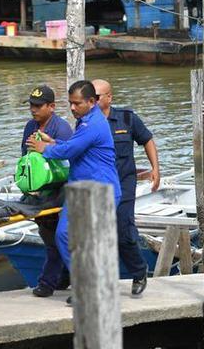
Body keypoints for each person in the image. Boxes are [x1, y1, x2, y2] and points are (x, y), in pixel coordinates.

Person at [26, 80, 122, 303]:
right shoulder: (84, 121)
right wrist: (55, 141)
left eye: (76, 103)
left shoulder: (94, 124)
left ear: (92, 101)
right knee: (64, 235)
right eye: (70, 103)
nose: (72, 108)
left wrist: (46, 147)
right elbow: (77, 145)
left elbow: (70, 150)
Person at [92, 78, 159, 295]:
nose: (91, 101)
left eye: (97, 96)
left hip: (123, 183)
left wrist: (155, 169)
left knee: (123, 229)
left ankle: (139, 271)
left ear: (109, 97)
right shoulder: (86, 122)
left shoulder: (127, 119)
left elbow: (147, 140)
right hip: (98, 187)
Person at [20, 85, 73, 298]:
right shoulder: (29, 126)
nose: (33, 110)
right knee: (48, 237)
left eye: (38, 106)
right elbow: (25, 158)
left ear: (51, 107)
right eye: (31, 105)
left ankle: (49, 282)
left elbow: (70, 158)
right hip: (39, 190)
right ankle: (59, 278)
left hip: (61, 189)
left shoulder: (61, 129)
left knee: (58, 238)